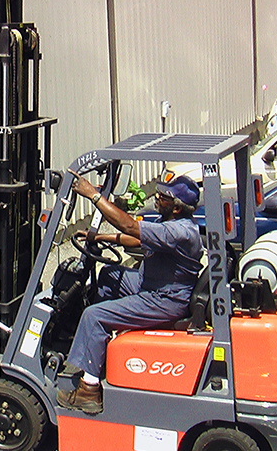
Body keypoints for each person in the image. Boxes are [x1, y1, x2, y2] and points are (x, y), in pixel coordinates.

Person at [56, 172, 203, 414]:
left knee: (94, 316)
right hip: (152, 285)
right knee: (109, 275)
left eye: (163, 197)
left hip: (163, 299)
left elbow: (129, 225)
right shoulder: (170, 224)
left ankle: (89, 390)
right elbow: (136, 238)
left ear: (176, 208)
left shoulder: (178, 232)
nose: (157, 197)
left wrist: (93, 195)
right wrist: (99, 237)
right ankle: (98, 349)